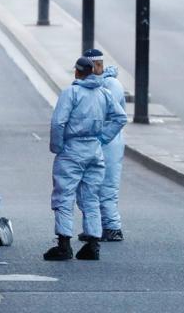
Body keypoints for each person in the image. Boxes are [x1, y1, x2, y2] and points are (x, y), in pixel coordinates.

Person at [44, 56, 127, 262]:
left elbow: (58, 122)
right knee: (91, 197)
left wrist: (57, 146)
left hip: (72, 149)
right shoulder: (104, 93)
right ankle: (93, 244)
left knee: (64, 196)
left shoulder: (71, 93)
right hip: (94, 150)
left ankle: (64, 244)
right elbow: (120, 118)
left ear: (78, 72)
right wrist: (103, 138)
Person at [83, 48, 127, 242]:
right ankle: (95, 227)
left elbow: (102, 111)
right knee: (90, 185)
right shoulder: (88, 86)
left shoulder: (111, 85)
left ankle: (113, 227)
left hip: (110, 142)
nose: (95, 68)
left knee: (107, 184)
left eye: (98, 65)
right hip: (95, 141)